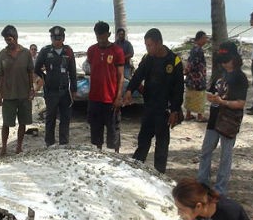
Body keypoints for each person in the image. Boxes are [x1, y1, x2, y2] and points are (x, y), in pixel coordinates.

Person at [124, 28, 184, 173]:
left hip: (164, 110)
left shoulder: (174, 61)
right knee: (143, 141)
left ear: (158, 43)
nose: (148, 48)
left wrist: (175, 110)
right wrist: (129, 90)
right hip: (149, 107)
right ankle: (136, 170)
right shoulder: (148, 59)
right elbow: (138, 76)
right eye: (146, 45)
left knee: (162, 145)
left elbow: (179, 89)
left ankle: (159, 173)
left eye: (149, 45)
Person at [197, 41, 248, 195]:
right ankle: (202, 181)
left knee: (225, 155)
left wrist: (222, 102)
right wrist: (210, 97)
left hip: (229, 121)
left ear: (235, 58)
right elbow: (211, 91)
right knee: (206, 150)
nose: (225, 64)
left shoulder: (240, 78)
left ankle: (220, 188)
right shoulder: (220, 74)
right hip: (214, 118)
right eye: (222, 61)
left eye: (227, 60)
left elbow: (241, 103)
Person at [34, 25, 77, 147]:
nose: (57, 41)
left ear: (63, 38)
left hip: (65, 91)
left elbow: (72, 71)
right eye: (54, 38)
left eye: (59, 38)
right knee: (50, 118)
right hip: (51, 91)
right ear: (51, 38)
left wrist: (74, 89)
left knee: (65, 118)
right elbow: (37, 68)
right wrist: (45, 77)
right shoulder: (45, 51)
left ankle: (64, 142)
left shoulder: (68, 51)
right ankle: (50, 143)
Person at [86, 21, 124, 153]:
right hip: (95, 97)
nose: (101, 39)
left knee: (113, 129)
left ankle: (117, 156)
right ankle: (98, 154)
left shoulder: (117, 51)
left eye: (103, 36)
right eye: (98, 36)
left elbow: (120, 76)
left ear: (109, 34)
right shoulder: (91, 50)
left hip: (111, 98)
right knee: (96, 130)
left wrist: (118, 96)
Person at [0, 25, 35, 155]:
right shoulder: (2, 54)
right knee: (6, 123)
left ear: (16, 37)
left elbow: (30, 72)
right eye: (6, 40)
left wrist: (32, 89)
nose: (8, 42)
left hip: (24, 94)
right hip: (8, 95)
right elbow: (1, 75)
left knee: (23, 122)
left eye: (10, 39)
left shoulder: (26, 53)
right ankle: (4, 147)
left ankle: (19, 146)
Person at [184, 31, 208, 123]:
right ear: (200, 38)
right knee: (200, 96)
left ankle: (188, 114)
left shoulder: (194, 49)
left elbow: (190, 63)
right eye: (205, 38)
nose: (206, 40)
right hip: (197, 78)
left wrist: (187, 71)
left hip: (192, 78)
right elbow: (193, 64)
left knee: (190, 95)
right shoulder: (198, 50)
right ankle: (200, 116)